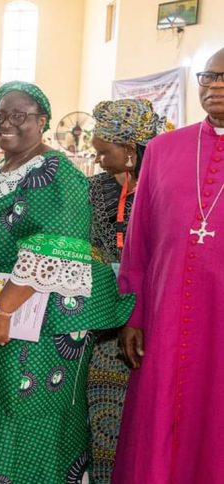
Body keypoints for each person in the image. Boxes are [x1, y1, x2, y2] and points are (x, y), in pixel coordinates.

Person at [0, 81, 134, 483]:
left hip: (35, 325)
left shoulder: (54, 171)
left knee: (26, 416)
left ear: (42, 121)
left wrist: (3, 310)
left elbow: (52, 250)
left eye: (21, 115)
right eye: (2, 115)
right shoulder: (6, 168)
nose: (9, 123)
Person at [112, 48, 224, 484]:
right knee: (161, 417)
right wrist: (133, 315)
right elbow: (137, 243)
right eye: (208, 77)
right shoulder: (161, 150)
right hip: (165, 317)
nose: (215, 87)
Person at [86, 98, 163, 483]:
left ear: (130, 150)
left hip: (151, 319)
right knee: (103, 413)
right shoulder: (94, 188)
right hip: (103, 321)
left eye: (104, 152)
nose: (97, 159)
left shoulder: (163, 188)